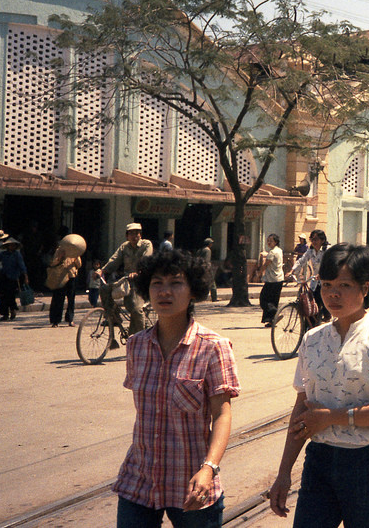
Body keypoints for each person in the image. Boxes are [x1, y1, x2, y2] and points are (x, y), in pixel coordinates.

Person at [268, 244, 369, 528]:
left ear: (365, 288)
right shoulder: (313, 339)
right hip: (319, 461)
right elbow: (301, 408)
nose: (333, 293)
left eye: (344, 285)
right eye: (327, 284)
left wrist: (331, 418)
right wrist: (284, 472)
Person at [112, 248, 240, 527]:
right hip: (139, 480)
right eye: (157, 283)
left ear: (193, 291)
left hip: (193, 483)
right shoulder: (136, 345)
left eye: (175, 283)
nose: (164, 292)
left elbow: (222, 415)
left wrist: (209, 469)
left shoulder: (213, 347)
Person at [99, 223, 154, 339]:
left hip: (142, 280)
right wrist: (102, 271)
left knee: (136, 309)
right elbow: (114, 260)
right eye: (131, 233)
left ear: (140, 235)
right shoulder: (124, 247)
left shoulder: (146, 244)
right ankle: (113, 317)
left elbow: (146, 259)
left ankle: (140, 339)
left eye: (137, 233)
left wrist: (138, 271)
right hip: (127, 279)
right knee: (105, 289)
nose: (134, 236)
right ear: (127, 236)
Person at [287, 229, 329, 322]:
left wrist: (321, 274)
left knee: (324, 303)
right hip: (314, 281)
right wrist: (292, 271)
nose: (314, 242)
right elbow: (302, 260)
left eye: (316, 239)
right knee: (310, 304)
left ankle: (326, 318)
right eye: (312, 239)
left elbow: (330, 265)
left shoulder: (327, 251)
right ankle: (310, 327)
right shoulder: (311, 251)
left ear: (322, 240)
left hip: (326, 281)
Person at [47, 233, 85, 327]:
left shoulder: (75, 252)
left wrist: (76, 258)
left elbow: (79, 265)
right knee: (58, 299)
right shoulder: (59, 250)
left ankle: (70, 319)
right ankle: (55, 321)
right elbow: (53, 263)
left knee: (71, 299)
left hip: (71, 276)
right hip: (60, 277)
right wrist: (60, 257)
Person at [258, 234, 284, 326]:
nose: (268, 242)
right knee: (273, 301)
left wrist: (259, 273)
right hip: (279, 279)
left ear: (276, 242)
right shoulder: (279, 250)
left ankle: (276, 313)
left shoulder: (272, 252)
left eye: (271, 241)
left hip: (272, 280)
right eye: (268, 240)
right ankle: (271, 321)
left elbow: (266, 264)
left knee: (263, 299)